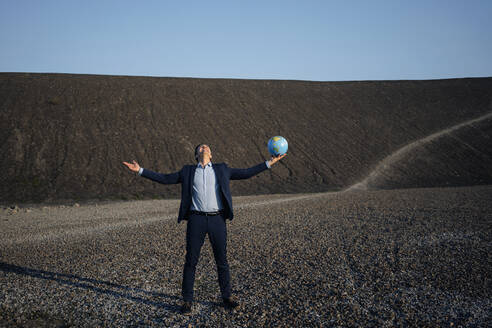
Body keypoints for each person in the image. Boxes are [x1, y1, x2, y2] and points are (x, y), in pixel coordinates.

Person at [122, 144, 286, 314]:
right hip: (196, 219)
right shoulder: (188, 171)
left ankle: (227, 297)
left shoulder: (222, 169)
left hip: (217, 219)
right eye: (200, 147)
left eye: (206, 147)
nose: (204, 148)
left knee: (221, 260)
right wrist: (140, 170)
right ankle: (187, 301)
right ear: (196, 154)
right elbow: (165, 178)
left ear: (211, 154)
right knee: (191, 261)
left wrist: (270, 162)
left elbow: (246, 173)